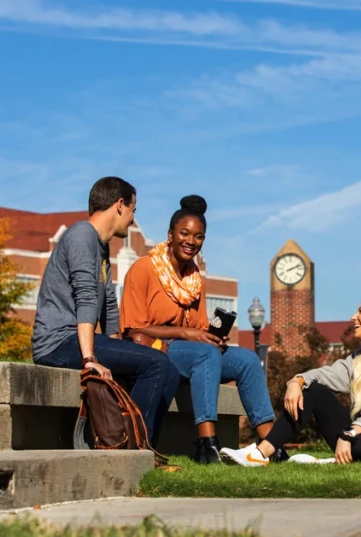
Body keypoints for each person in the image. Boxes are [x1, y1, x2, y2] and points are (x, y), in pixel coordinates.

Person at [120, 195, 279, 464]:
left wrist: (212, 335)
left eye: (198, 236)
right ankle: (208, 445)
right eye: (184, 233)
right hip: (157, 350)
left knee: (247, 360)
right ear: (170, 235)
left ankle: (271, 445)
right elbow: (134, 329)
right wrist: (189, 335)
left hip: (190, 351)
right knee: (207, 355)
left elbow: (198, 328)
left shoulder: (195, 279)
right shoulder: (143, 269)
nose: (191, 241)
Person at [32, 176, 179, 447]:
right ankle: (136, 449)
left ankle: (146, 448)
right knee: (156, 364)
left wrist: (120, 351)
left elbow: (109, 304)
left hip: (75, 341)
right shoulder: (80, 236)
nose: (133, 220)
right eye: (133, 210)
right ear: (120, 205)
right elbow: (86, 299)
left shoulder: (100, 245)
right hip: (58, 343)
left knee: (167, 368)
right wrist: (90, 359)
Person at [219, 294, 361, 467]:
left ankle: (334, 457)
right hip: (358, 436)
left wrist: (348, 435)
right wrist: (297, 381)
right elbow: (326, 375)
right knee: (312, 391)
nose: (353, 317)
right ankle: (262, 452)